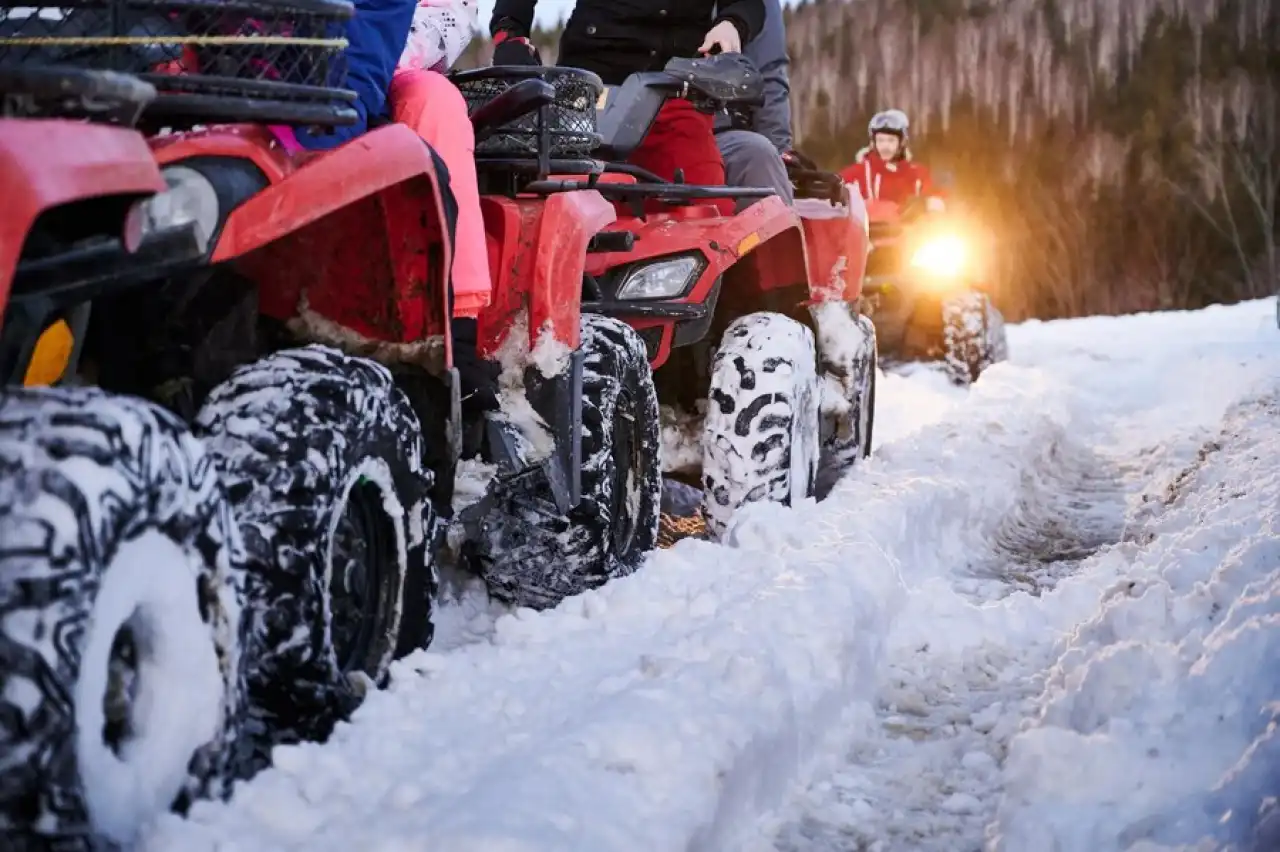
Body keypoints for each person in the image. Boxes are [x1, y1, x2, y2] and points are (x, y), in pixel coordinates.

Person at [489, 0, 765, 213]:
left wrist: (733, 22)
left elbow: (747, 4)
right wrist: (511, 34)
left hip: (677, 94)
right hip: (586, 98)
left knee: (708, 215)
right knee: (559, 212)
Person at [713, 0, 794, 210]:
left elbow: (767, 74)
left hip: (716, 128)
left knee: (759, 160)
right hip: (626, 122)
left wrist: (779, 149)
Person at [840, 109, 945, 212]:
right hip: (866, 228)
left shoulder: (917, 175)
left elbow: (935, 197)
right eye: (881, 140)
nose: (885, 146)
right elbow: (834, 193)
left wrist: (928, 203)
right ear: (873, 143)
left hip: (909, 228)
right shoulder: (856, 174)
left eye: (891, 141)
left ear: (901, 143)